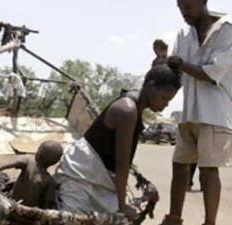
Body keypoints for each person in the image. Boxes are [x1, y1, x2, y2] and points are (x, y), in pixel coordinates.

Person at [54, 64, 181, 221]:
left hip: (99, 181)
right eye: (164, 98)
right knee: (75, 221)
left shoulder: (135, 107)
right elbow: (122, 163)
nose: (166, 104)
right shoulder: (127, 110)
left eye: (169, 100)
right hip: (79, 176)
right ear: (150, 86)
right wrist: (122, 206)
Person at [160, 1, 232, 224]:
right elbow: (175, 71)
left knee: (208, 171)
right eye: (180, 8)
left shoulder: (226, 30)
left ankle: (209, 222)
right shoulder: (184, 34)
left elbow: (213, 74)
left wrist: (180, 63)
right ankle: (174, 218)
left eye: (189, 6)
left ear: (203, 2)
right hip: (189, 113)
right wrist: (162, 64)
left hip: (215, 113)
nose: (184, 12)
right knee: (179, 166)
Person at [0, 140, 63, 209]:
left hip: (10, 201)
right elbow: (46, 206)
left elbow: (12, 163)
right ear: (55, 162)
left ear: (38, 153)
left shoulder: (28, 161)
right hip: (26, 213)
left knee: (2, 178)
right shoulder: (50, 182)